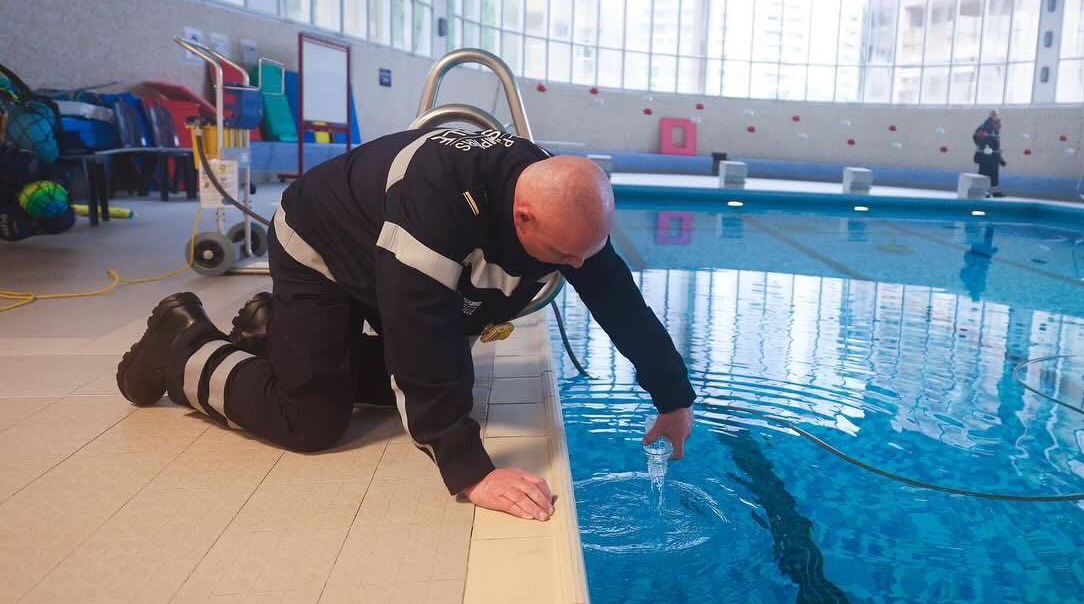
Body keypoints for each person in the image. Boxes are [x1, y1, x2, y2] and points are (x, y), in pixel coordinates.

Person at [116, 127, 696, 522]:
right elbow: (419, 338)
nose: (575, 267)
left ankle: (276, 335)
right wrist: (470, 472)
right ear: (523, 217)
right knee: (313, 418)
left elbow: (620, 301)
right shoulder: (436, 207)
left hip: (379, 254)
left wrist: (673, 399)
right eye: (565, 256)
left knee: (453, 385)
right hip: (321, 245)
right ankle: (182, 347)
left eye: (582, 255)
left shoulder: (561, 205)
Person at [972, 110, 1006, 195]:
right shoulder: (986, 126)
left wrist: (1001, 160)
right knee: (983, 174)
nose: (1000, 127)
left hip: (993, 158)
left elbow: (996, 149)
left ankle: (995, 192)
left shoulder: (995, 132)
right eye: (999, 125)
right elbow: (976, 136)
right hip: (986, 158)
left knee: (994, 175)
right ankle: (982, 192)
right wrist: (982, 147)